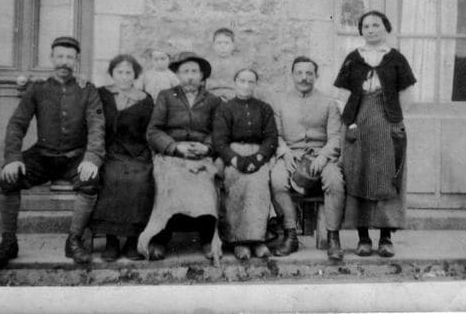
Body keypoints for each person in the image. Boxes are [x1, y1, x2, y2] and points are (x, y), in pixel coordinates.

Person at [0, 36, 105, 268]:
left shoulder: (88, 90)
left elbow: (97, 125)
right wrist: (12, 158)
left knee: (90, 180)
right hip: (43, 156)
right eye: (60, 56)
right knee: (9, 178)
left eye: (69, 57)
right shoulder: (37, 89)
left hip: (75, 157)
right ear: (51, 58)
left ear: (76, 61)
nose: (64, 61)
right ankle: (8, 242)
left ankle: (74, 240)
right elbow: (17, 124)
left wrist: (92, 158)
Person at [333, 10, 416, 258]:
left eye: (376, 25)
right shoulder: (353, 58)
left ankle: (386, 238)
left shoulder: (396, 58)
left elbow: (406, 96)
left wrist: (394, 120)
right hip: (358, 124)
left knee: (386, 177)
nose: (371, 30)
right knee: (358, 175)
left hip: (388, 125)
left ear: (385, 28)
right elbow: (342, 96)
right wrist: (350, 123)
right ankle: (363, 238)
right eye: (366, 26)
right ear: (361, 31)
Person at [138, 52, 222, 261]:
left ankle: (206, 238)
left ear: (202, 76)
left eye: (194, 72)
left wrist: (207, 148)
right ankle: (161, 237)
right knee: (168, 182)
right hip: (172, 156)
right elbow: (153, 131)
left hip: (201, 156)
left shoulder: (213, 100)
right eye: (185, 72)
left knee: (205, 183)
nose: (190, 76)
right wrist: (175, 147)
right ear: (178, 75)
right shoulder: (166, 96)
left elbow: (219, 132)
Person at [270, 56, 346, 260]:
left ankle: (333, 237)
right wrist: (284, 153)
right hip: (291, 155)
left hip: (320, 154)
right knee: (277, 180)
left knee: (335, 181)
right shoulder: (280, 102)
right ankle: (291, 235)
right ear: (292, 75)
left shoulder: (328, 102)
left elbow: (335, 137)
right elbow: (275, 135)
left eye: (309, 73)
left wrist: (324, 156)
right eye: (299, 73)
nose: (304, 78)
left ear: (316, 76)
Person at [88, 55, 154, 261]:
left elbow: (150, 130)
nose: (124, 77)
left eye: (128, 72)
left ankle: (132, 240)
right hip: (109, 151)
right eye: (119, 72)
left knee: (139, 180)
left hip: (137, 152)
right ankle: (112, 241)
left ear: (135, 75)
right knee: (111, 177)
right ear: (112, 74)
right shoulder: (101, 94)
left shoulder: (145, 99)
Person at [212, 68, 278, 260]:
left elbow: (271, 138)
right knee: (236, 183)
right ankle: (238, 242)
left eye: (250, 82)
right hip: (232, 154)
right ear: (235, 83)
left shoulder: (264, 108)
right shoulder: (225, 108)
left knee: (258, 183)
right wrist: (235, 160)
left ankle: (258, 240)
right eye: (242, 81)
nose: (246, 86)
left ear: (255, 84)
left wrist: (258, 158)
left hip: (258, 154)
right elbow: (219, 140)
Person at [205, 28, 250, 101]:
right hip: (212, 97)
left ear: (233, 45)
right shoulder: (207, 63)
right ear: (213, 45)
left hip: (233, 97)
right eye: (219, 43)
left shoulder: (239, 64)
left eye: (226, 43)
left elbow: (243, 85)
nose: (222, 46)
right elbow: (204, 85)